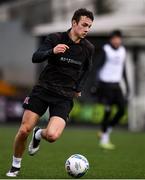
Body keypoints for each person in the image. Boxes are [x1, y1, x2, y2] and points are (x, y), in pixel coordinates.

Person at [6, 8, 94, 177]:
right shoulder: (55, 38)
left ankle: (39, 133)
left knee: (52, 136)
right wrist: (51, 51)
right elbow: (35, 57)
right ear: (74, 23)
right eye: (84, 25)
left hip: (64, 96)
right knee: (24, 130)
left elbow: (86, 70)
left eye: (89, 26)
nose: (87, 29)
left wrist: (78, 88)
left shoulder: (88, 48)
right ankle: (15, 165)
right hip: (43, 89)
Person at [94, 30, 130, 150]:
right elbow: (98, 67)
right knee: (108, 111)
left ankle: (106, 130)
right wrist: (96, 84)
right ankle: (104, 139)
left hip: (116, 85)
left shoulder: (123, 51)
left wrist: (128, 86)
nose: (117, 40)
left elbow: (123, 70)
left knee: (121, 110)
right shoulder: (106, 50)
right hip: (105, 85)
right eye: (114, 38)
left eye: (118, 38)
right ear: (111, 39)